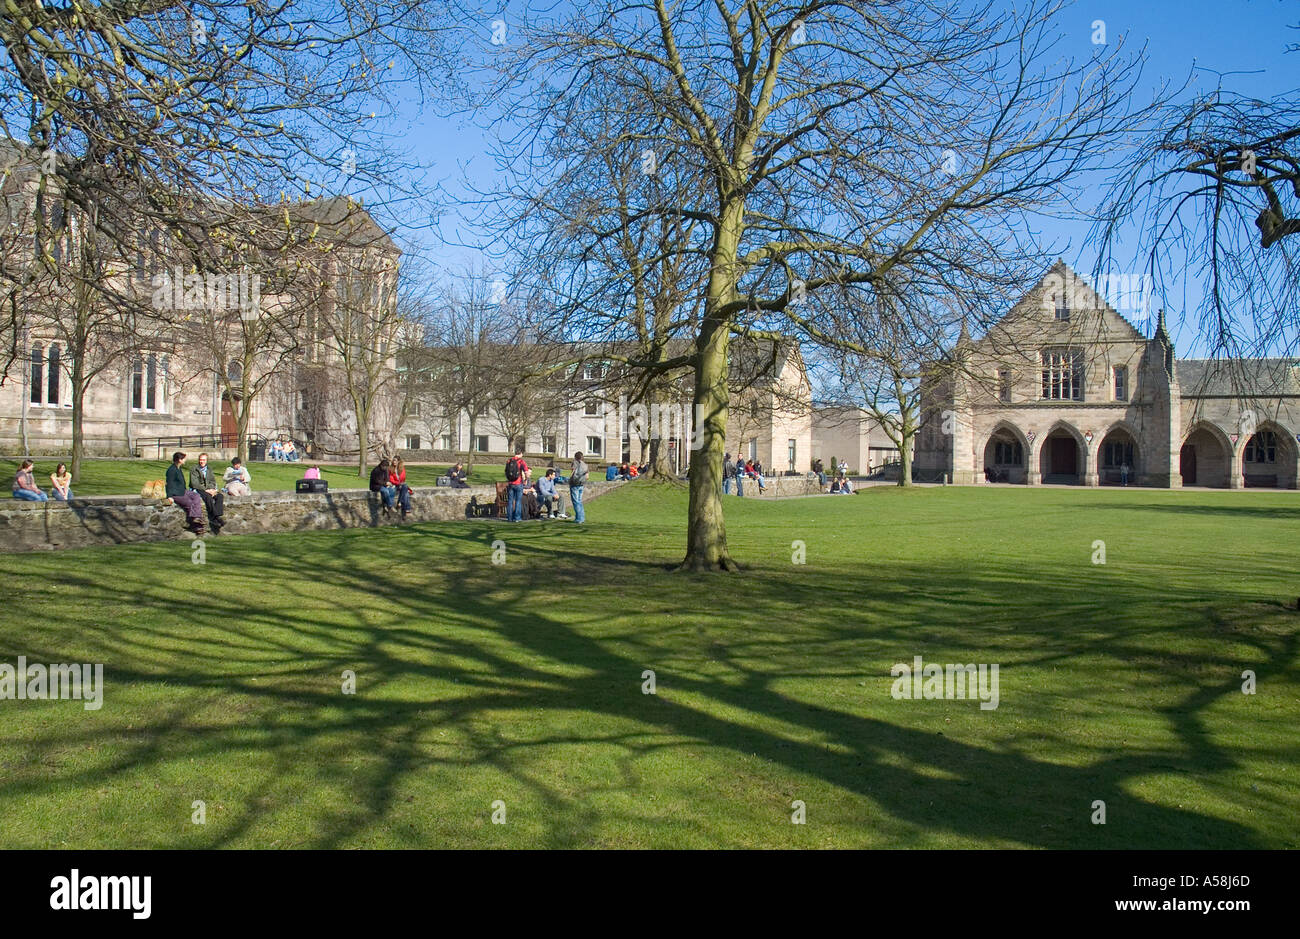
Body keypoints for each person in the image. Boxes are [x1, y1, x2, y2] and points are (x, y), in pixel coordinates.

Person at [165, 452, 207, 533]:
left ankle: (197, 518)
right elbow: (169, 484)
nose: (185, 460)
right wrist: (169, 496)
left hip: (182, 490)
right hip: (175, 493)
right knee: (189, 503)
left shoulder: (178, 468)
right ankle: (196, 526)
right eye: (184, 459)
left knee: (196, 496)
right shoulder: (171, 470)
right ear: (179, 460)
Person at [189, 452, 226, 532]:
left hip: (209, 489)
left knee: (220, 496)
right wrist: (206, 490)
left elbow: (213, 481)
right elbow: (194, 483)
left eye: (204, 460)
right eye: (200, 460)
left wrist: (212, 489)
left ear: (206, 461)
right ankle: (215, 517)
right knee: (208, 497)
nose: (202, 461)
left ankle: (217, 515)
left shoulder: (209, 469)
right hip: (199, 489)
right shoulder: (194, 469)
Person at [504, 448, 529, 523]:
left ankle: (509, 518)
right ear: (521, 453)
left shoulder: (509, 460)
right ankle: (517, 518)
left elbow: (506, 472)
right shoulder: (521, 461)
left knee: (510, 501)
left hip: (511, 484)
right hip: (518, 483)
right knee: (518, 501)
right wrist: (525, 480)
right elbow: (526, 472)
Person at [569, 451, 588, 524]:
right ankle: (580, 517)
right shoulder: (585, 465)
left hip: (574, 484)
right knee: (579, 501)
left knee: (576, 502)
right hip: (581, 484)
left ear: (575, 457)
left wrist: (570, 479)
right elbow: (587, 476)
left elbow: (572, 472)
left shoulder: (575, 462)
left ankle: (579, 519)